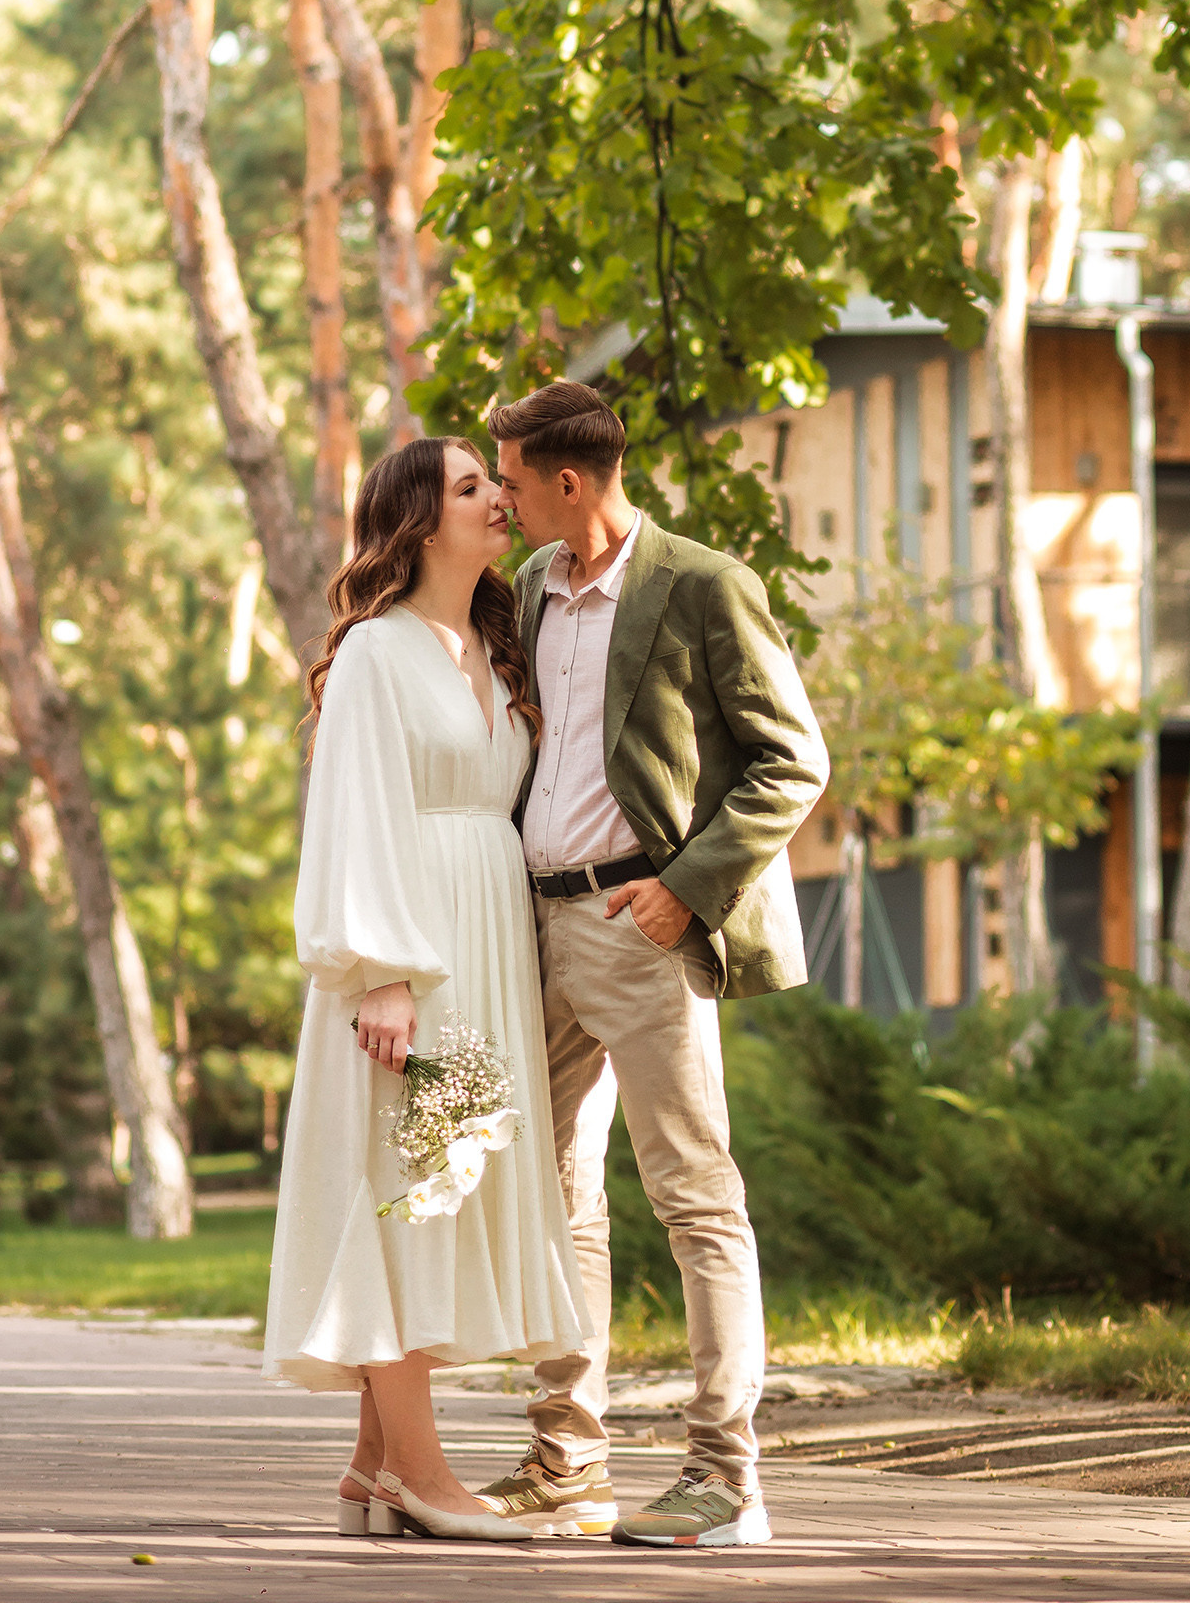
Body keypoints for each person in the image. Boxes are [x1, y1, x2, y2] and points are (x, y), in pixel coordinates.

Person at [476, 380, 830, 1553]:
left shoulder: (701, 585)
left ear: (567, 481)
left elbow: (791, 761)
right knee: (556, 1197)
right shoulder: (530, 587)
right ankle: (567, 1458)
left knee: (693, 1195)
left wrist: (683, 894)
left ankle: (726, 1478)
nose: (503, 504)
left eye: (513, 483)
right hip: (534, 927)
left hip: (643, 922)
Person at [262, 437, 590, 1543]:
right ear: (414, 522)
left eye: (493, 483)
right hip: (413, 957)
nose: (499, 497)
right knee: (409, 1190)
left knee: (439, 1188)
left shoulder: (491, 647)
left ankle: (372, 1466)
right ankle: (424, 1475)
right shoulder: (375, 656)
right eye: (469, 487)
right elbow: (352, 815)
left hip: (488, 942)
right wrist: (382, 976)